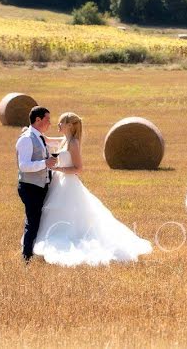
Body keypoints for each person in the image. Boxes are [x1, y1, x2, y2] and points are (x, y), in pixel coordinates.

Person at [32, 112, 152, 266]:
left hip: (69, 183)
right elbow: (47, 140)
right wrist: (31, 132)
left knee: (70, 214)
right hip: (60, 182)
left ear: (69, 125)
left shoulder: (73, 143)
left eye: (61, 122)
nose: (58, 125)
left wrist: (58, 169)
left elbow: (78, 168)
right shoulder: (65, 140)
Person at [15, 106, 59, 263]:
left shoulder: (40, 137)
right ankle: (26, 257)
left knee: (38, 220)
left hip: (41, 186)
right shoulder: (26, 139)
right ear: (38, 120)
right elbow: (24, 166)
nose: (50, 123)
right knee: (33, 222)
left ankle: (35, 252)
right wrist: (45, 163)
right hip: (30, 187)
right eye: (47, 119)